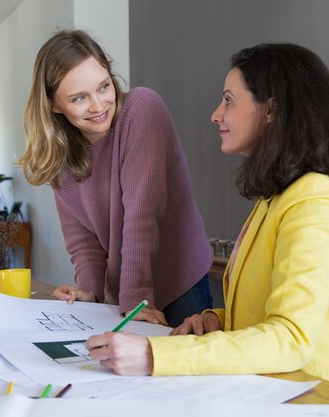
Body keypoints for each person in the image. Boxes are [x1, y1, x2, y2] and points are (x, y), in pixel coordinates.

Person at [85, 43, 329, 397]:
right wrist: (219, 319)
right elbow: (270, 313)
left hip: (324, 402)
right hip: (277, 393)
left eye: (229, 99)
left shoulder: (316, 200)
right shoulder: (278, 197)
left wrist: (153, 354)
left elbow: (291, 338)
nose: (216, 114)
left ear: (271, 110)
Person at [19, 29, 213, 327]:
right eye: (79, 98)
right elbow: (83, 244)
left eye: (104, 87)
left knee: (186, 371)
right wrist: (91, 295)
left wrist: (136, 302)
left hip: (178, 280)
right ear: (53, 105)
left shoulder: (142, 109)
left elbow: (142, 214)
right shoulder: (59, 158)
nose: (98, 106)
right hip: (127, 293)